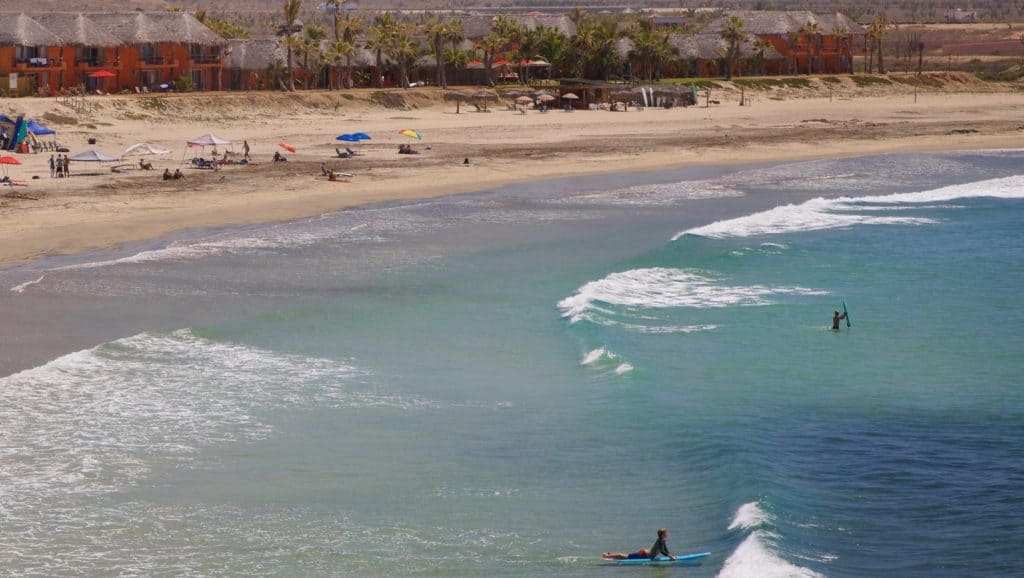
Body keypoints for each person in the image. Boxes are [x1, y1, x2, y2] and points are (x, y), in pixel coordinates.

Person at [602, 529, 675, 561]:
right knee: (625, 556)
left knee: (626, 557)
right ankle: (607, 556)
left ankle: (610, 555)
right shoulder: (661, 540)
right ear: (662, 534)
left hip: (646, 553)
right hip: (644, 554)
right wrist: (670, 557)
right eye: (666, 533)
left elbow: (665, 550)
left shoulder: (662, 540)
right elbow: (662, 551)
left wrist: (670, 555)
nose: (667, 534)